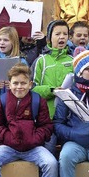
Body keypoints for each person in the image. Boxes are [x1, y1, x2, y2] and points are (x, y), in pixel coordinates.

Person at [32, 20, 73, 153]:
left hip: (69, 117)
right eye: (57, 34)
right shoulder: (41, 61)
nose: (62, 37)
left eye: (65, 34)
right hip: (47, 117)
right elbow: (32, 88)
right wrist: (52, 90)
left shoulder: (73, 60)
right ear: (49, 38)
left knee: (67, 155)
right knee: (48, 153)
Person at [0, 27, 28, 121]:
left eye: (6, 40)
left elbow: (28, 84)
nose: (1, 43)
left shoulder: (21, 61)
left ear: (13, 42)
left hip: (16, 108)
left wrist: (14, 86)